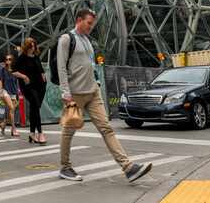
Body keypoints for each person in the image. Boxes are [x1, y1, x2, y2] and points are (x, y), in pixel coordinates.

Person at [57, 9, 152, 183]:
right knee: (68, 132)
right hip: (75, 94)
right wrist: (66, 92)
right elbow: (61, 67)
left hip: (93, 92)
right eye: (88, 23)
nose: (91, 27)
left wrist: (97, 81)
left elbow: (91, 64)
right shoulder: (66, 39)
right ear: (79, 20)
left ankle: (128, 167)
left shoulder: (87, 41)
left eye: (92, 24)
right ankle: (65, 167)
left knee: (106, 128)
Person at [13, 38, 47, 144]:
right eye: (31, 46)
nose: (33, 48)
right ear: (26, 47)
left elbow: (41, 70)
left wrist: (44, 78)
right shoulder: (22, 58)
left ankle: (32, 134)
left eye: (34, 46)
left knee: (34, 108)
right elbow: (13, 70)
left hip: (40, 86)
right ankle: (40, 133)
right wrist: (24, 76)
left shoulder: (36, 57)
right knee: (35, 107)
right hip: (28, 86)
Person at [0, 54, 20, 137]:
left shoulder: (15, 70)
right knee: (11, 107)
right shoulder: (2, 70)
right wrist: (0, 92)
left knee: (11, 111)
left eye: (10, 59)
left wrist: (18, 92)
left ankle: (3, 124)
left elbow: (17, 82)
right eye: (6, 59)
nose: (8, 60)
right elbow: (0, 81)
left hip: (13, 92)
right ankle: (13, 129)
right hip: (5, 91)